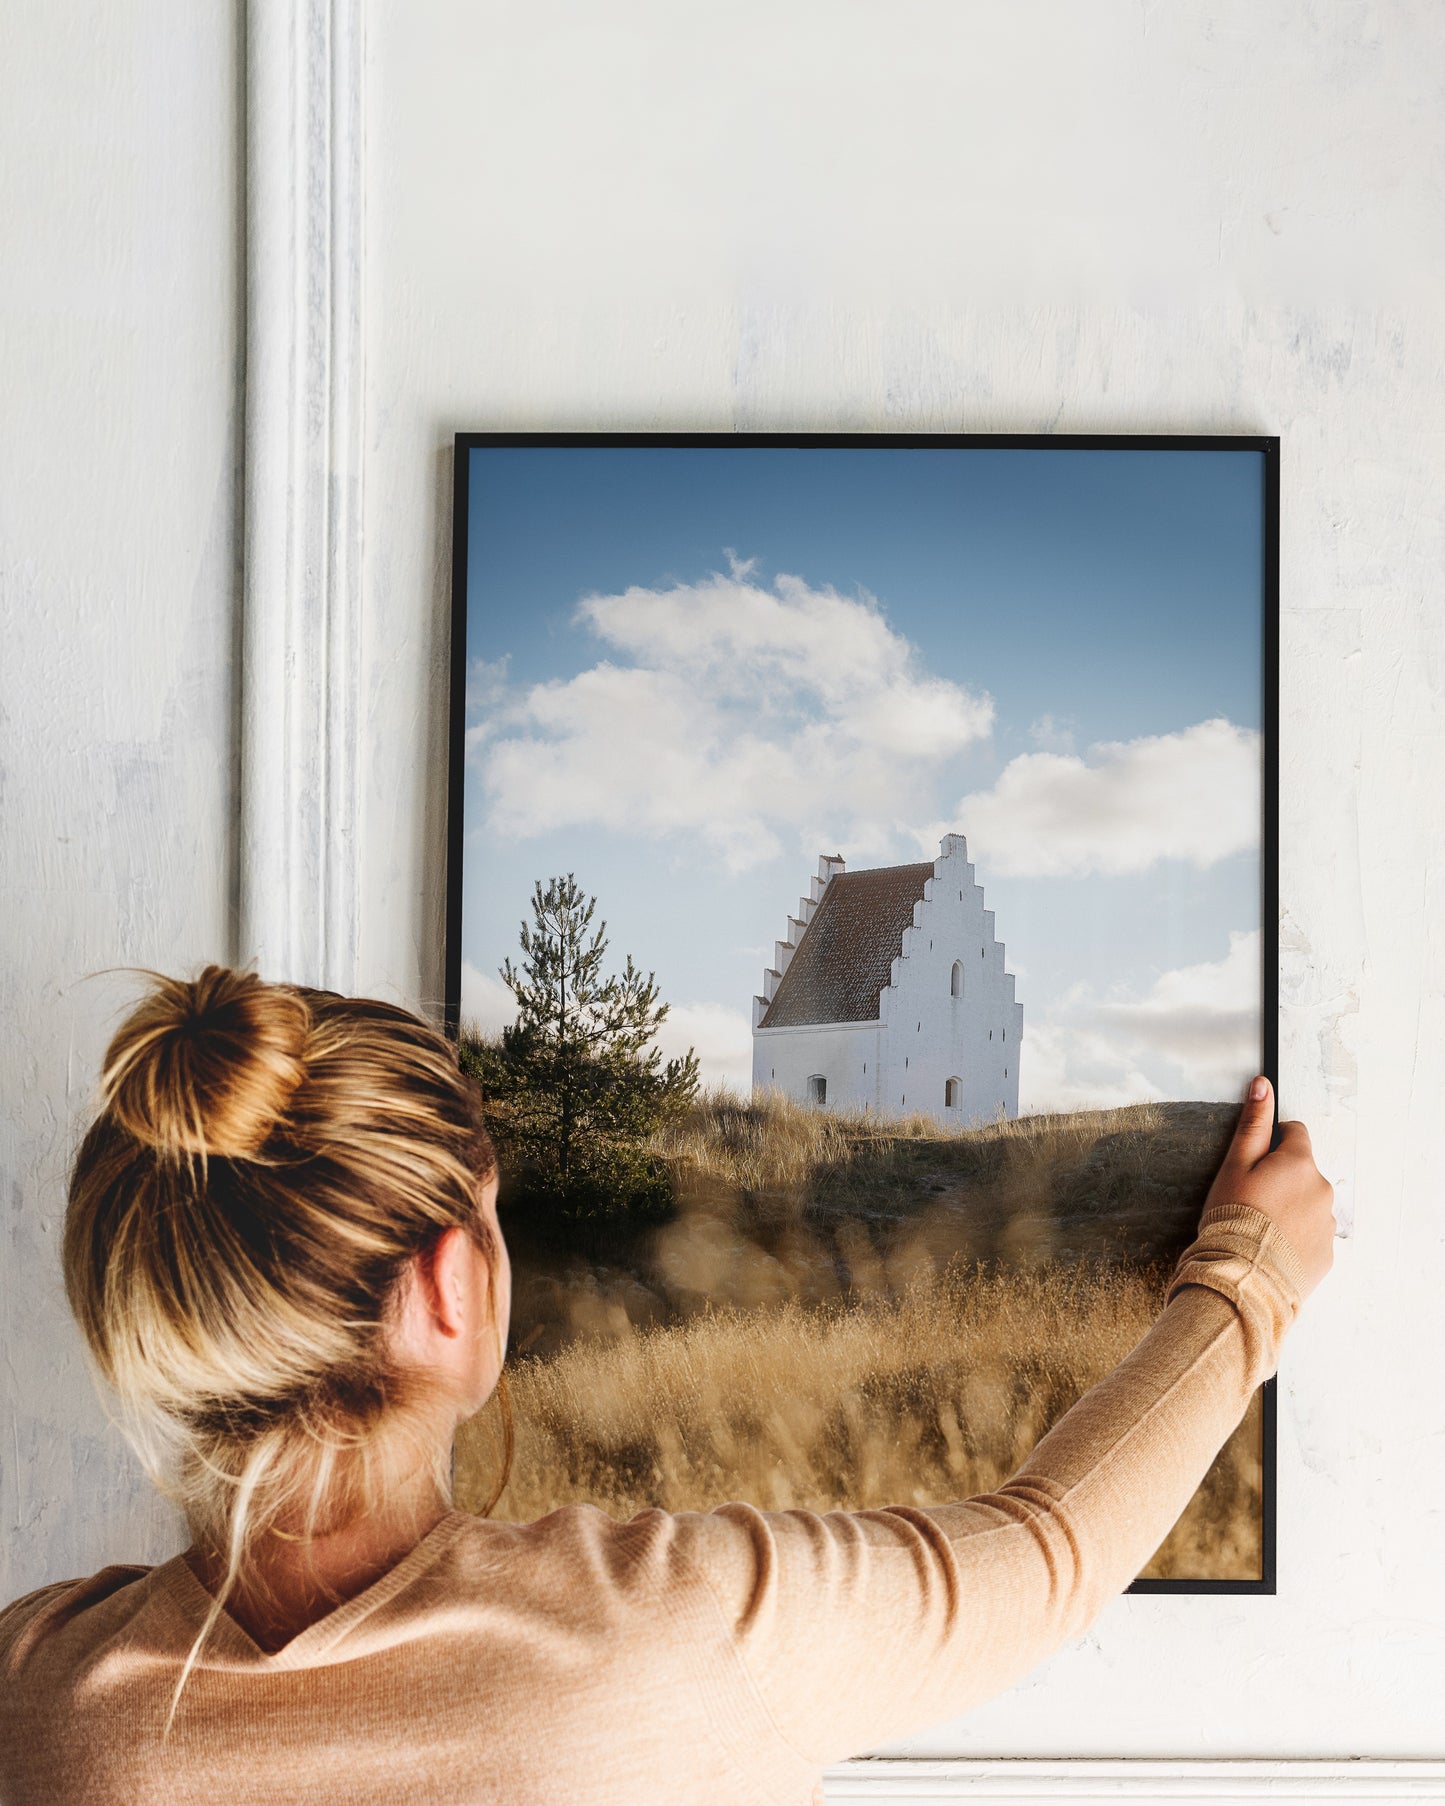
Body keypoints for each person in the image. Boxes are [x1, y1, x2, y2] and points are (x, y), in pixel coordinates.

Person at [0, 964, 1334, 1806]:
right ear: (449, 1287)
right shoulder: (674, 1636)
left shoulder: (36, 1695)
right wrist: (1247, 1272)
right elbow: (1046, 1549)